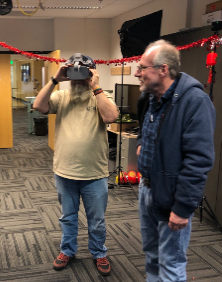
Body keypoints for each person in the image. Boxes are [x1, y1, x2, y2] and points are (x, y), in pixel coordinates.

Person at [135, 40, 216, 282]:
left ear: (163, 69)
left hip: (172, 196)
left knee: (171, 261)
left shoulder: (194, 102)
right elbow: (145, 127)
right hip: (146, 189)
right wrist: (141, 143)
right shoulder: (148, 97)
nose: (137, 73)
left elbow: (198, 160)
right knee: (151, 254)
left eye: (142, 67)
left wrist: (182, 208)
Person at [33, 54, 118, 276]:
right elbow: (38, 106)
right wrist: (54, 79)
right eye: (75, 73)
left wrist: (96, 87)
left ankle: (99, 253)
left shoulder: (101, 96)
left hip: (95, 173)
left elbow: (111, 117)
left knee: (96, 220)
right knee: (68, 217)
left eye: (85, 73)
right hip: (65, 172)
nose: (79, 78)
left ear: (93, 73)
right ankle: (67, 251)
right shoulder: (61, 96)